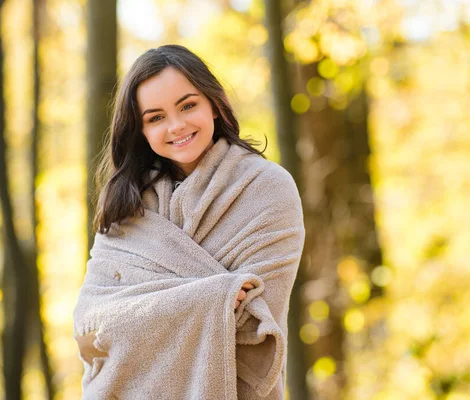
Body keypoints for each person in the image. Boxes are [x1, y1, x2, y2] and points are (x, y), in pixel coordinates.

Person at [74, 44, 305, 399]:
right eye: (156, 117)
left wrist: (143, 317)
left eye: (187, 105)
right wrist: (213, 297)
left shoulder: (267, 189)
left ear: (213, 104)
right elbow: (90, 329)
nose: (176, 126)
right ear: (141, 131)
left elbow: (253, 327)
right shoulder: (127, 204)